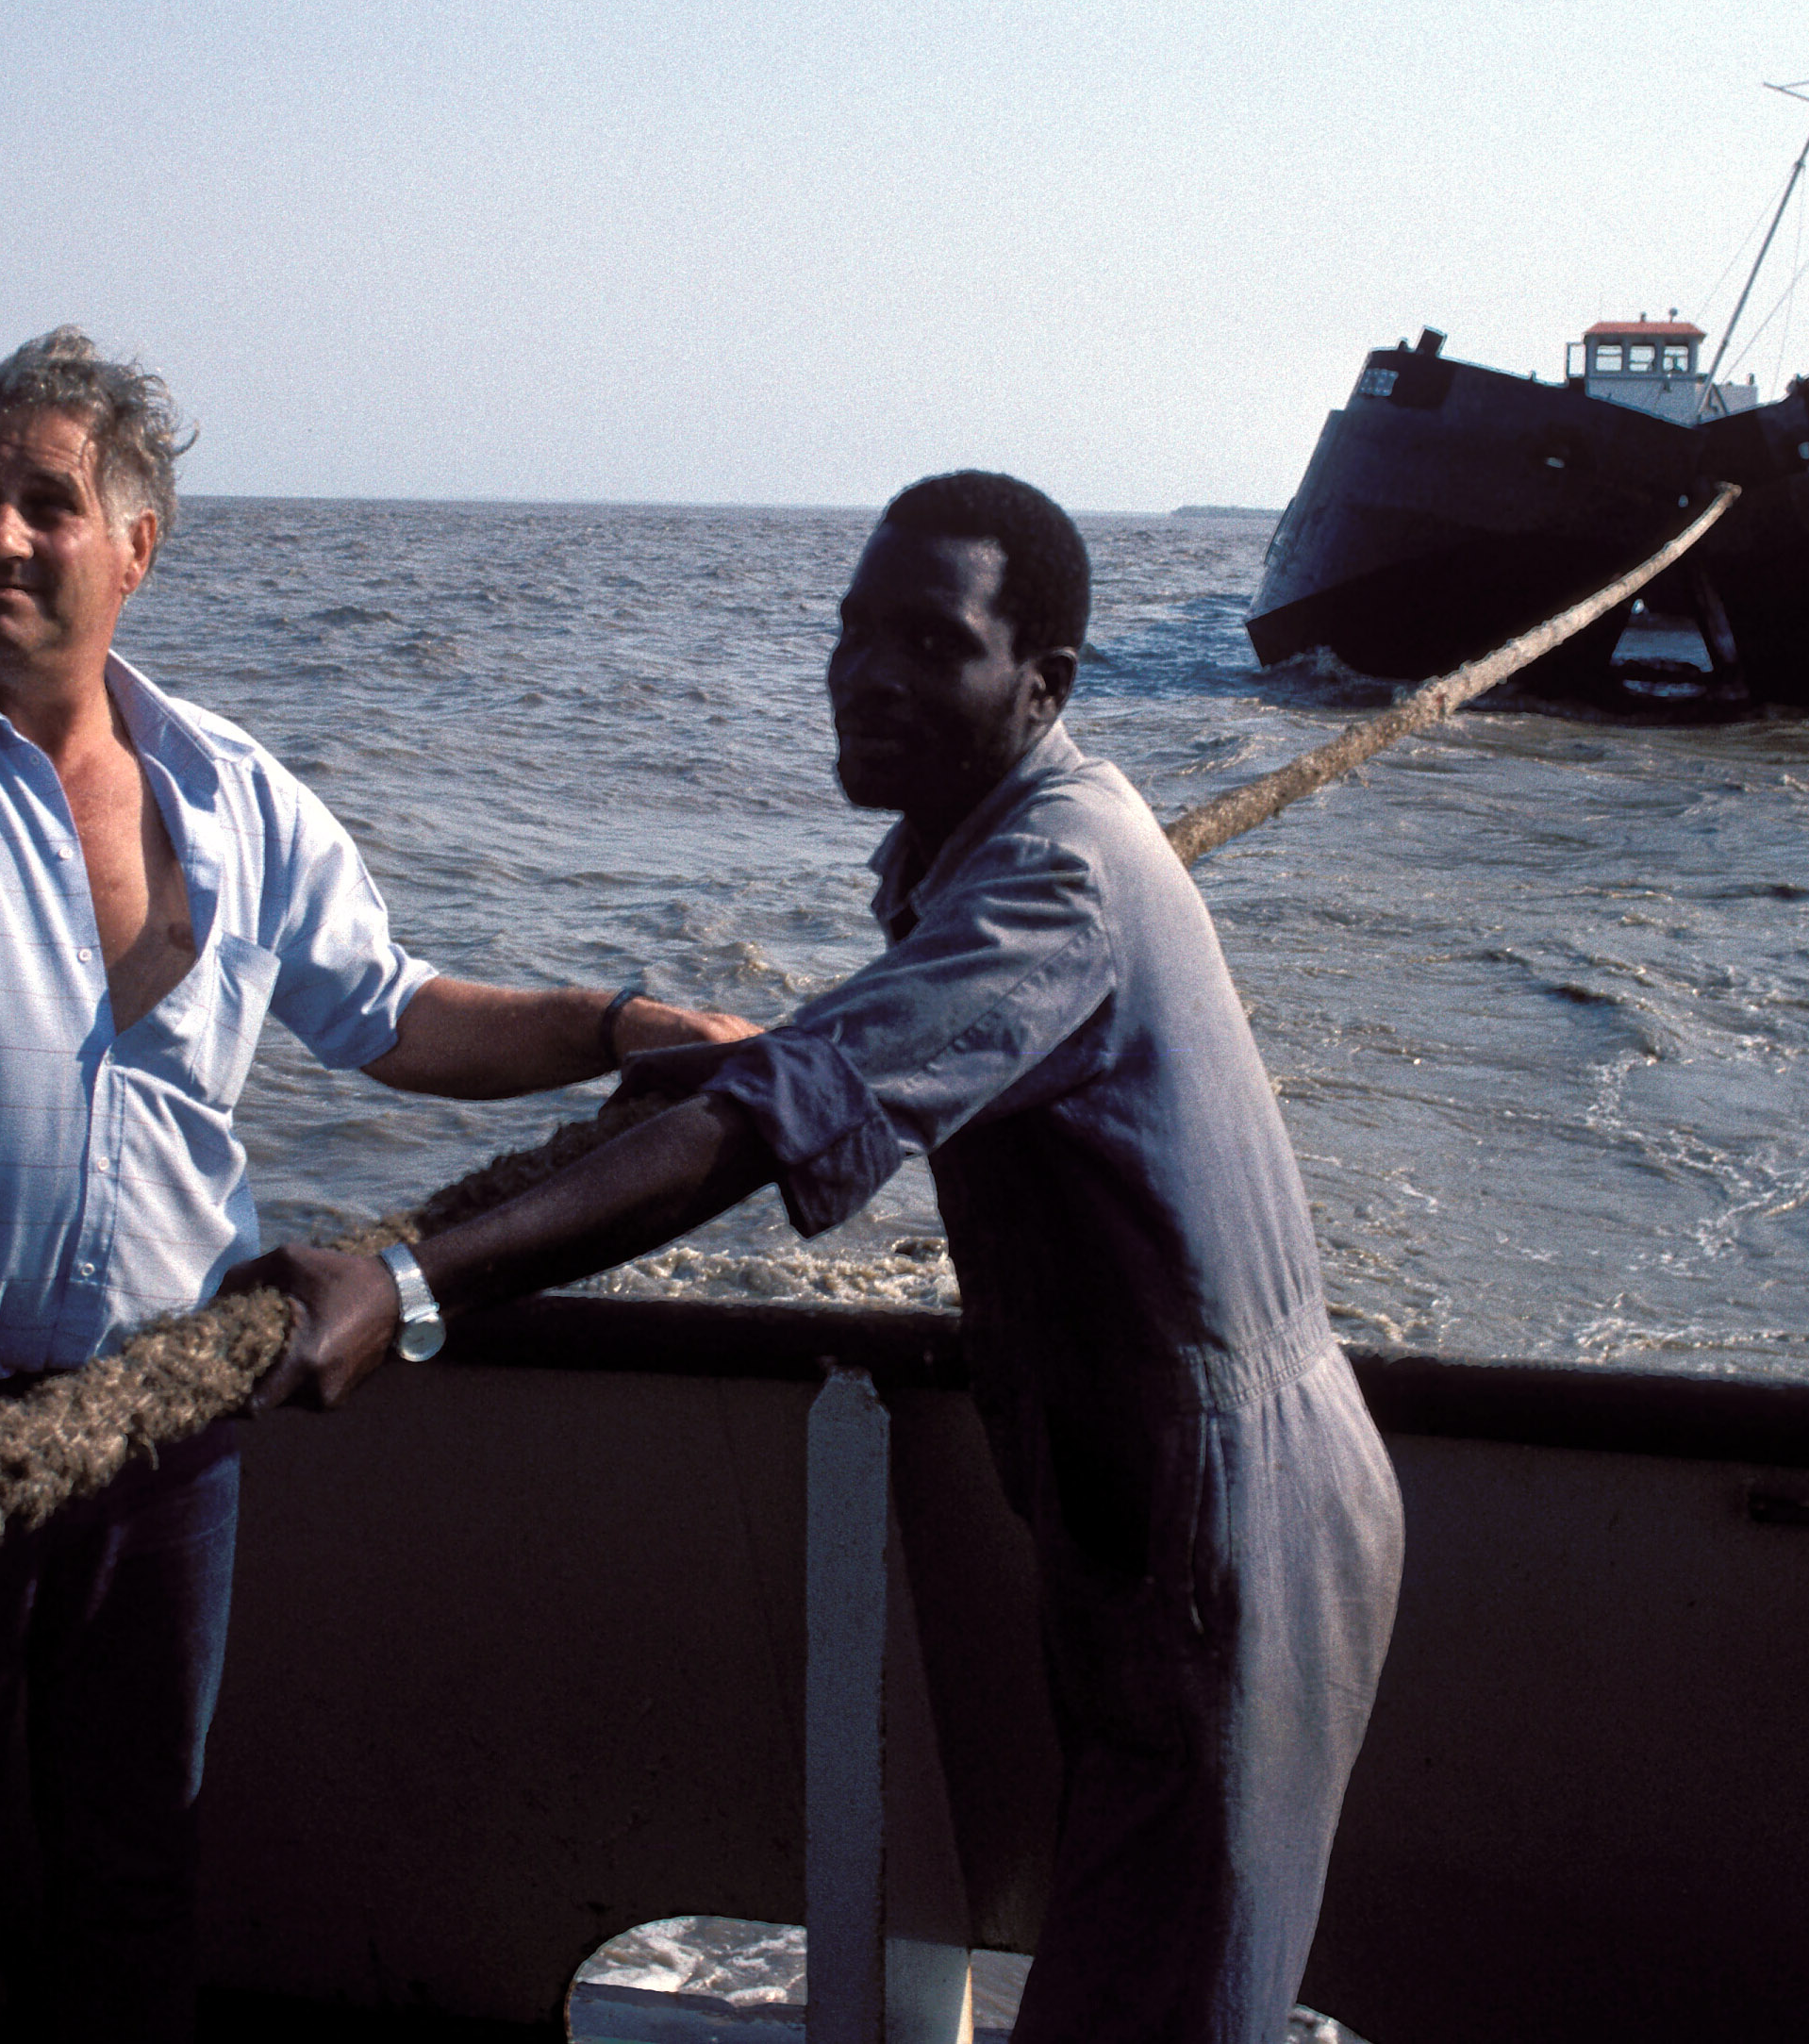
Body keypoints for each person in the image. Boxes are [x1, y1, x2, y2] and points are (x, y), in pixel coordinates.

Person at [0, 315, 749, 2043]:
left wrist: (626, 1026)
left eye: (46, 502)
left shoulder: (233, 794)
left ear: (138, 547)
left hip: (167, 1432)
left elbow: (390, 1011)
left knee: (131, 1883)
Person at [241, 471, 1404, 2044]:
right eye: (858, 629)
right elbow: (834, 1065)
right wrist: (691, 1055)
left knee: (1163, 2006)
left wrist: (414, 1280)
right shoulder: (983, 844)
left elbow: (775, 1125)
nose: (869, 674)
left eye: (934, 642)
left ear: (1041, 686)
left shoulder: (1059, 870)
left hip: (1234, 1514)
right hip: (1158, 1499)